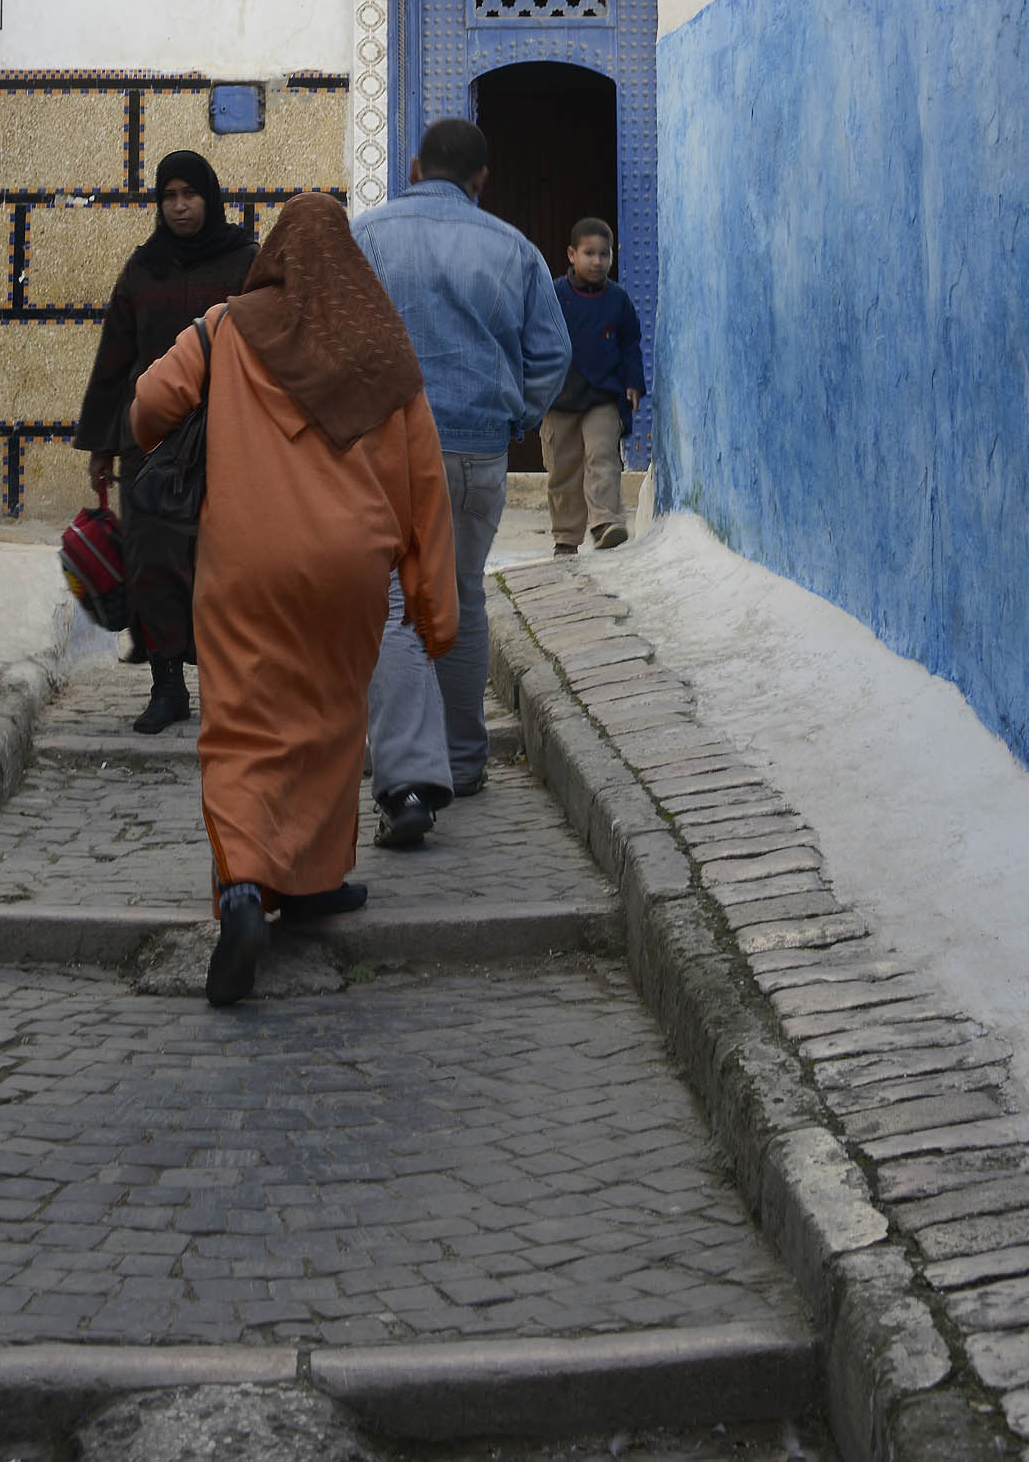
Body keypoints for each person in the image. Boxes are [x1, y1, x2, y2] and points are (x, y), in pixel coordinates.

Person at [132, 192, 458, 1006]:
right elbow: (425, 482)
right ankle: (313, 881)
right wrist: (431, 599)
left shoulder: (226, 327)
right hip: (351, 568)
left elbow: (149, 406)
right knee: (331, 717)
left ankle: (246, 887)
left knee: (243, 723)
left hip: (244, 561)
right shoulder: (384, 348)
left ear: (274, 255)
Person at [352, 117, 570, 845]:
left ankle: (408, 771)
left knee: (396, 602)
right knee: (463, 593)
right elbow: (551, 352)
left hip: (390, 449)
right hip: (478, 452)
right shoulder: (515, 248)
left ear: (414, 167)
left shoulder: (368, 235)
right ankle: (466, 759)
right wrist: (516, 415)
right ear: (481, 179)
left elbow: (331, 338)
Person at [72, 150, 256, 733]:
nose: (179, 207)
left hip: (227, 440)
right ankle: (167, 686)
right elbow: (114, 359)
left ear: (210, 197)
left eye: (189, 195)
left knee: (225, 565)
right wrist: (102, 445)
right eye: (169, 197)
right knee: (152, 561)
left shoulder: (245, 262)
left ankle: (231, 693)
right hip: (148, 443)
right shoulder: (143, 269)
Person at [541, 216, 646, 556]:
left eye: (604, 254)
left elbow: (630, 343)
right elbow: (536, 338)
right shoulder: (554, 295)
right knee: (563, 468)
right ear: (571, 254)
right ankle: (566, 536)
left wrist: (633, 383)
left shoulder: (618, 299)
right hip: (560, 397)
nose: (597, 261)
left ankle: (605, 523)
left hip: (604, 394)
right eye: (589, 253)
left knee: (603, 457)